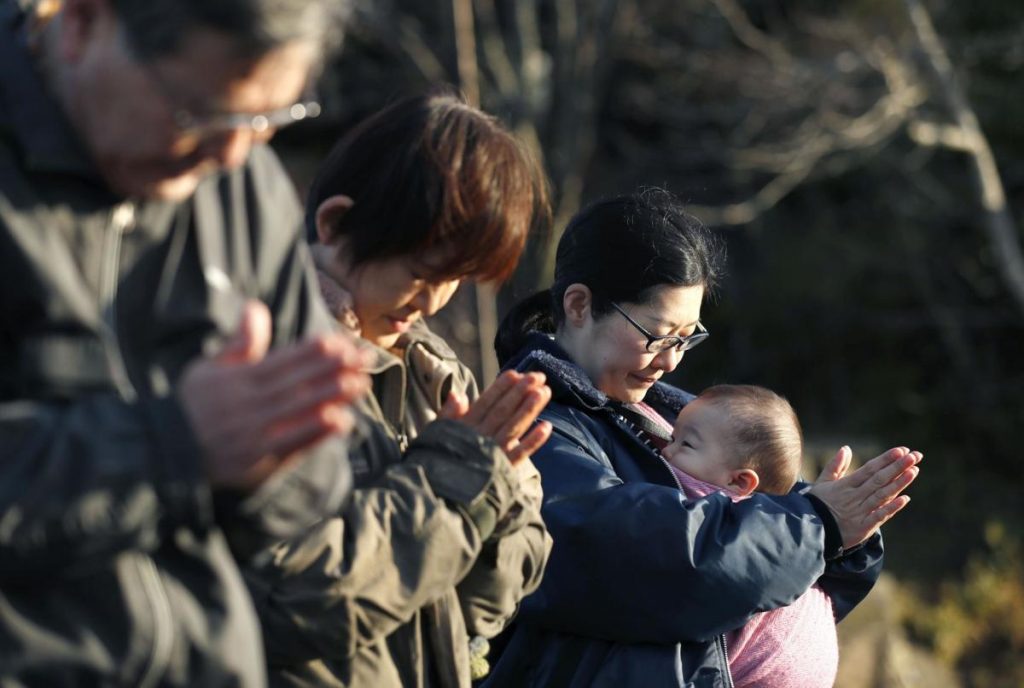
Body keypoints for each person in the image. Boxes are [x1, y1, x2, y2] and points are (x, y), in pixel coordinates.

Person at [0, 0, 368, 685]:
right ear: (82, 23)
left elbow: (318, 485)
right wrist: (169, 446)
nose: (231, 153)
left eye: (268, 120)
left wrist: (265, 455)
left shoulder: (243, 186)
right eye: (198, 113)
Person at [484, 188, 922, 687]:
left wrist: (845, 535)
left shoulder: (670, 412)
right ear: (580, 305)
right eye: (659, 335)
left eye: (687, 338)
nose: (672, 360)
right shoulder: (530, 426)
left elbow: (774, 538)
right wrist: (818, 524)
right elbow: (655, 560)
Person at [242, 91, 554, 688]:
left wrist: (498, 494)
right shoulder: (261, 358)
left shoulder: (436, 374)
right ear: (334, 223)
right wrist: (456, 484)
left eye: (458, 277)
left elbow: (488, 605)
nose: (435, 301)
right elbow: (294, 596)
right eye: (421, 272)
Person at [661, 384, 839, 687]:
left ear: (738, 482)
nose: (665, 450)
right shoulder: (786, 526)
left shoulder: (700, 499)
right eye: (671, 438)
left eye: (686, 445)